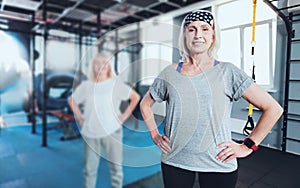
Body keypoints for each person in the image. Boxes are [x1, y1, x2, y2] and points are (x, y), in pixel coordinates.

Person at [140, 10, 283, 188]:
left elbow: (273, 109)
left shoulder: (228, 71)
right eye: (191, 29)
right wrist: (155, 135)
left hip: (218, 162)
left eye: (204, 29)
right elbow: (145, 104)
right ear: (184, 35)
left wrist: (247, 146)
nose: (198, 34)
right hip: (175, 159)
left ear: (213, 35)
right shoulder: (169, 73)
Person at [68, 53, 140, 188]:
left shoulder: (116, 84)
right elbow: (72, 100)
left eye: (104, 63)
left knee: (116, 170)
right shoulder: (86, 85)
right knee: (89, 171)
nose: (101, 66)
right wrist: (80, 117)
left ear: (109, 66)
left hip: (112, 132)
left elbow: (135, 97)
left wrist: (124, 116)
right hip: (90, 133)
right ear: (93, 67)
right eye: (98, 63)